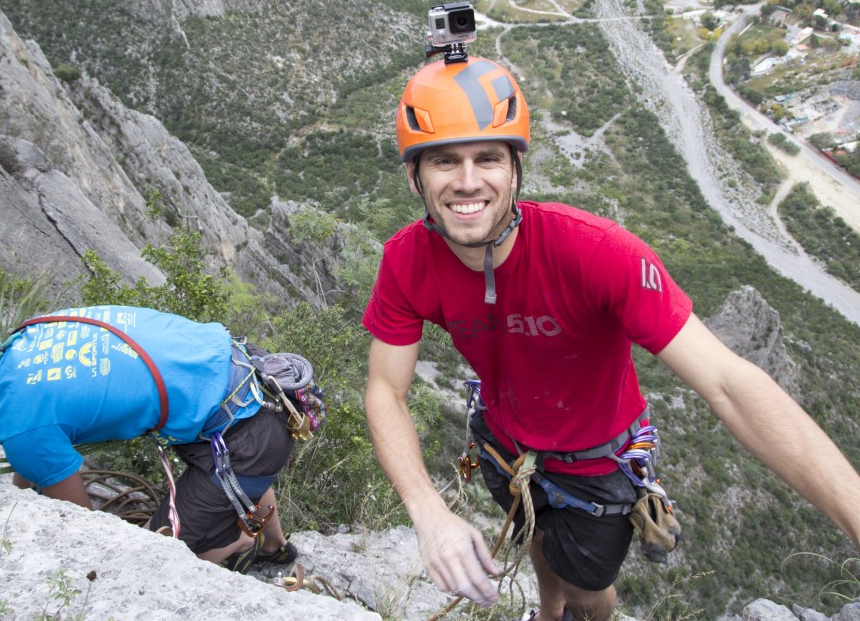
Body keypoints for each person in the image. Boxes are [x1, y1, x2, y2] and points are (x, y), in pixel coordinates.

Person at [361, 52, 860, 620]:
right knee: (542, 544)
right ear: (414, 176)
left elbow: (728, 382)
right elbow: (385, 390)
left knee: (588, 589)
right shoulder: (406, 261)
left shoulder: (597, 253)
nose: (468, 181)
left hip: (595, 464)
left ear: (516, 169)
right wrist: (428, 513)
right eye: (444, 161)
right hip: (505, 443)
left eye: (488, 159)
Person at [0, 305, 306, 573]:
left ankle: (242, 540)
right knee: (228, 471)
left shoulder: (21, 426)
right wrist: (27, 476)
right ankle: (277, 548)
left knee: (160, 554)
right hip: (251, 381)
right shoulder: (35, 329)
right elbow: (38, 457)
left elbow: (91, 530)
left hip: (246, 434)